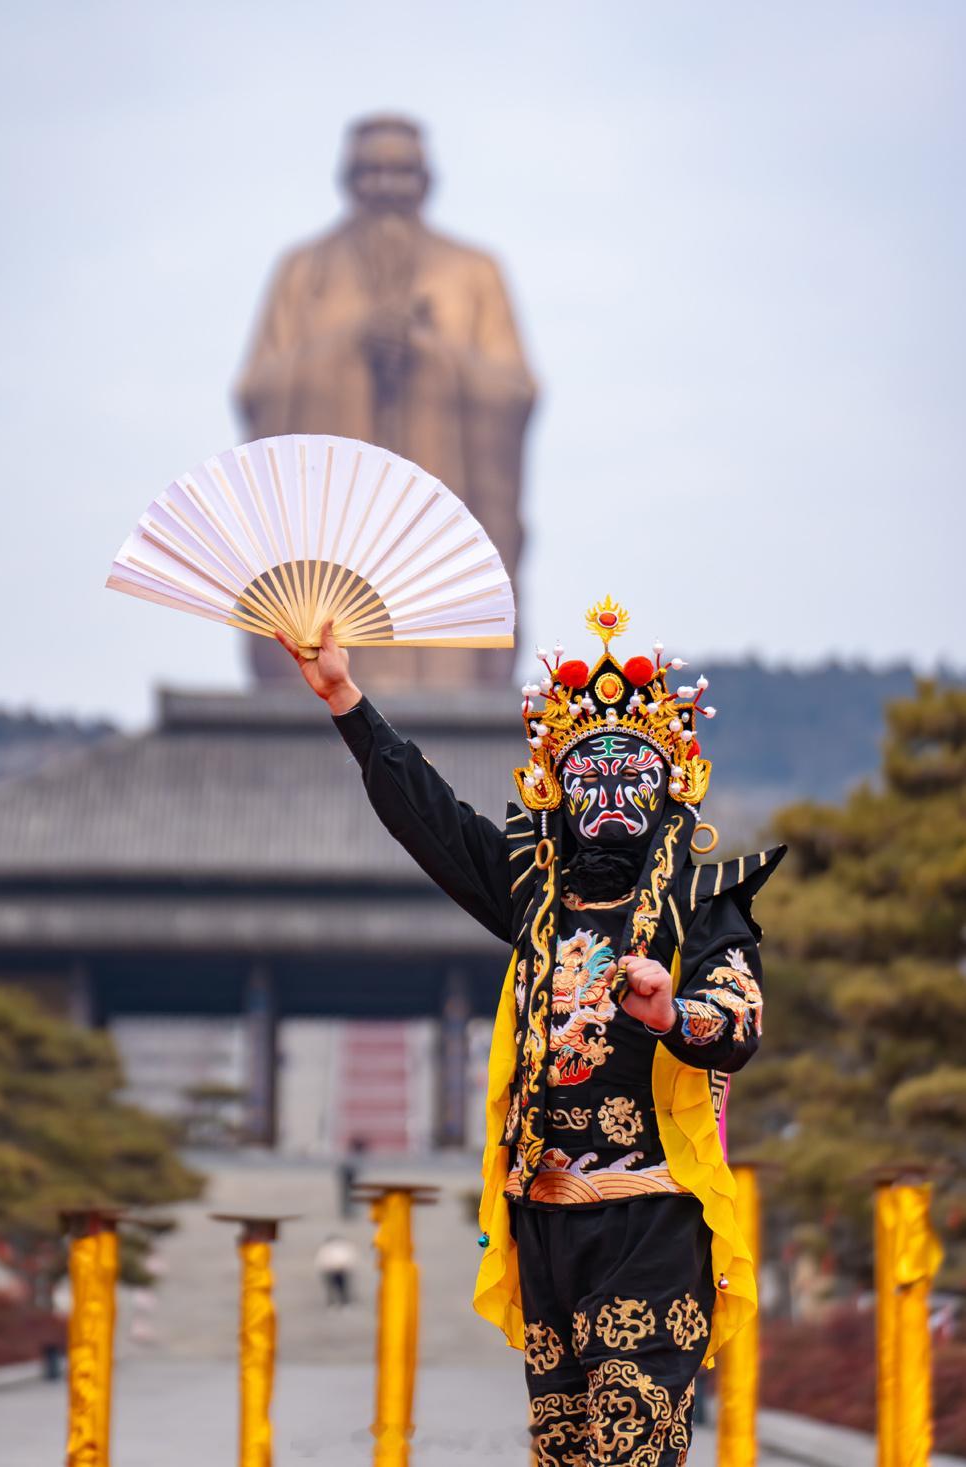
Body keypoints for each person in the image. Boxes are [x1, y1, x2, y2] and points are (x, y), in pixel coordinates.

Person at [276, 597, 784, 1466]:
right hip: (545, 1220)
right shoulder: (536, 904)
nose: (613, 793)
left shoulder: (703, 906)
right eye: (593, 775)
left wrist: (669, 1014)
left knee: (631, 1452)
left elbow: (736, 1020)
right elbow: (430, 820)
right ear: (558, 788)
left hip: (651, 1220)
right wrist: (345, 699)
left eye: (634, 774)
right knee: (562, 1455)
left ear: (669, 785)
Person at [238, 114, 535, 689]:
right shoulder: (303, 270)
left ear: (426, 180)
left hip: (441, 511)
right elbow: (260, 388)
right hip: (332, 512)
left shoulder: (474, 271)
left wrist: (429, 353)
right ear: (348, 180)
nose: (385, 187)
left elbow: (515, 390)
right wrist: (348, 347)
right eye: (371, 171)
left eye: (400, 172)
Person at [315, 1234, 357, 1309]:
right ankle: (334, 1303)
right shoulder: (328, 1248)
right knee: (334, 1288)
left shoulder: (331, 1248)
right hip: (333, 1271)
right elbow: (322, 1260)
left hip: (340, 1271)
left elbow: (321, 1260)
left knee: (341, 1288)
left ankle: (342, 1303)